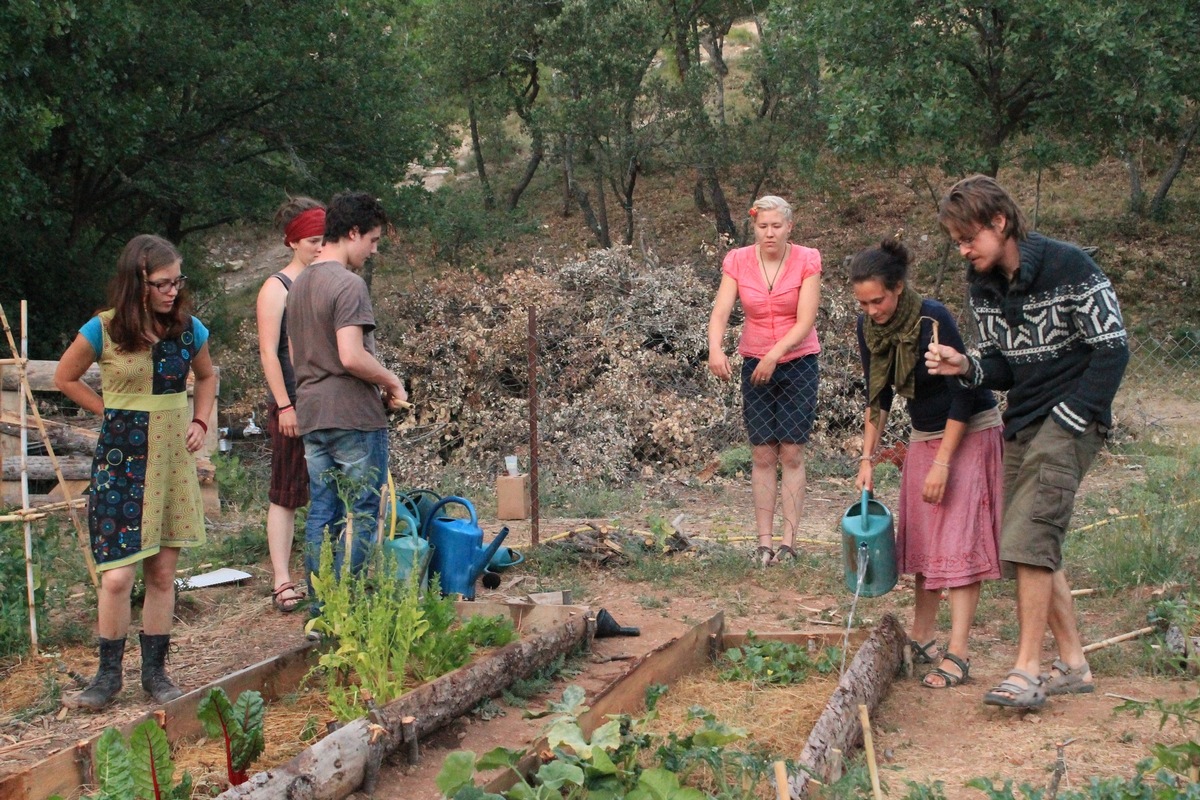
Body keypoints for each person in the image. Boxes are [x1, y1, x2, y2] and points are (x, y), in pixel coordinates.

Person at [925, 175, 1129, 708]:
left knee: (1032, 536)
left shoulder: (1071, 268)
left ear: (1000, 222)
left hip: (1070, 421)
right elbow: (1001, 367)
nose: (964, 251)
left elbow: (1113, 349)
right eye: (957, 243)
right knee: (1026, 543)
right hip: (1023, 421)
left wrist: (1076, 412)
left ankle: (1027, 670)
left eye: (969, 238)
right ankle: (1075, 664)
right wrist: (965, 364)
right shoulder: (983, 285)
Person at [55, 234, 216, 709]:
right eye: (162, 283)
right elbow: (65, 377)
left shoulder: (189, 330)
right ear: (137, 283)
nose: (173, 291)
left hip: (170, 464)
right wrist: (107, 410)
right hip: (121, 463)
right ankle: (107, 678)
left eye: (177, 281)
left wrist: (201, 420)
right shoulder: (102, 329)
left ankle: (155, 675)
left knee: (163, 574)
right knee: (117, 578)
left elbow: (207, 376)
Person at [850, 238, 1004, 689]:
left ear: (898, 288)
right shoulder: (870, 329)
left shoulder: (932, 319)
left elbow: (966, 391)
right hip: (924, 433)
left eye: (877, 300)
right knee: (922, 538)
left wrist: (943, 464)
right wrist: (867, 457)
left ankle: (959, 653)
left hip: (969, 429)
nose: (872, 309)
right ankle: (922, 638)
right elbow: (876, 395)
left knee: (958, 538)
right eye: (863, 302)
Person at [287, 191, 407, 604]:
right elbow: (352, 356)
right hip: (352, 416)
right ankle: (348, 604)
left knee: (323, 513)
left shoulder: (299, 284)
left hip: (312, 414)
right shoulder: (349, 284)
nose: (373, 251)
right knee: (360, 514)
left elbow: (294, 352)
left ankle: (322, 608)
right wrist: (392, 382)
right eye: (372, 240)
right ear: (352, 232)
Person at [707, 195, 822, 567]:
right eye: (762, 227)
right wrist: (715, 349)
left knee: (791, 451)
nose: (769, 233)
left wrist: (776, 354)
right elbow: (721, 311)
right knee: (761, 452)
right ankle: (763, 543)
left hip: (797, 361)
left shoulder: (807, 259)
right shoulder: (738, 260)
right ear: (754, 227)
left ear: (789, 226)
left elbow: (805, 320)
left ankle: (789, 543)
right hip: (755, 362)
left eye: (776, 226)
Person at [256, 196, 325, 613]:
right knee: (286, 491)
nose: (320, 247)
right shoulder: (276, 287)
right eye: (312, 240)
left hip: (325, 403)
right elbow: (269, 353)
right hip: (293, 403)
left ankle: (326, 576)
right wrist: (284, 406)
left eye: (324, 238)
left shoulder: (324, 280)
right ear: (294, 241)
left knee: (327, 492)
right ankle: (282, 579)